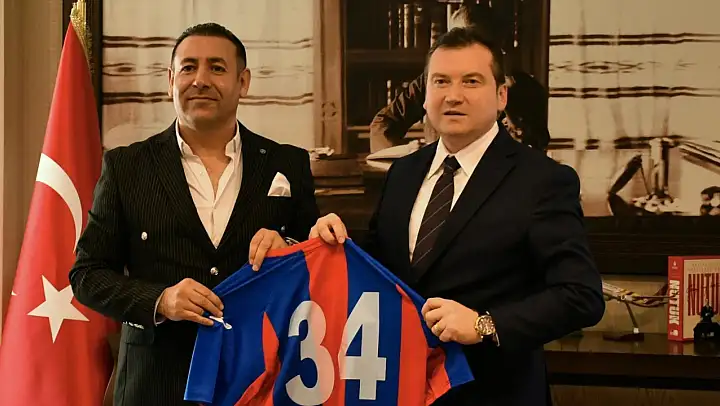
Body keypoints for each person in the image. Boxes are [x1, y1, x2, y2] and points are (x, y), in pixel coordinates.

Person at [304, 28, 604, 405]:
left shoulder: (542, 180)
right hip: (402, 389)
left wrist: (484, 324)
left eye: (471, 81)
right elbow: (382, 270)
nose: (453, 95)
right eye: (441, 81)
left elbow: (581, 296)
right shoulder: (402, 173)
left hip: (494, 394)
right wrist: (334, 246)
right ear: (425, 95)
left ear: (501, 96)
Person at [69, 23, 319, 406]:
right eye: (188, 68)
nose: (200, 80)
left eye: (217, 68)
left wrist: (287, 245)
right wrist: (160, 300)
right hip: (156, 386)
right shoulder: (126, 167)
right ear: (171, 80)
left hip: (261, 382)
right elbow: (87, 275)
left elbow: (315, 263)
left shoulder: (288, 163)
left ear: (243, 82)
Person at [369, 2, 551, 153]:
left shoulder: (525, 89)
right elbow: (384, 122)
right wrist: (398, 161)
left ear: (496, 45)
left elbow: (535, 145)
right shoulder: (433, 80)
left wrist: (512, 109)